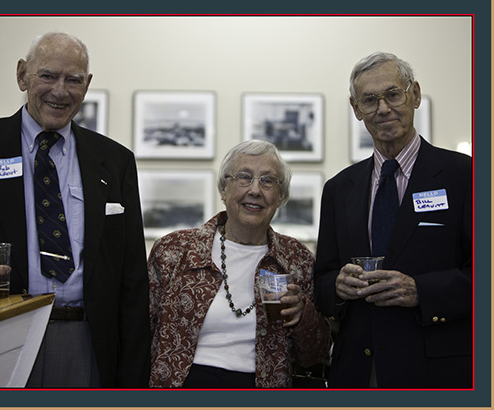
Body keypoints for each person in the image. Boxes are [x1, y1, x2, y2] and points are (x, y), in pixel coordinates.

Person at [0, 32, 150, 388]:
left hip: (88, 344)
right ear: (22, 75)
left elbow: (132, 279)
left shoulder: (114, 161)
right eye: (47, 76)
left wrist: (132, 379)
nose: (60, 90)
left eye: (73, 80)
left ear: (86, 86)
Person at [314, 52, 472, 388]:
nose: (383, 108)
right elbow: (322, 279)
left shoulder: (467, 176)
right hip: (357, 371)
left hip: (436, 371)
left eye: (393, 94)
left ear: (414, 94)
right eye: (369, 100)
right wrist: (337, 288)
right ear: (356, 110)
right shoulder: (339, 189)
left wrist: (421, 291)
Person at [148, 140, 331, 388]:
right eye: (244, 177)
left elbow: (314, 354)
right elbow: (140, 335)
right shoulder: (174, 250)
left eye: (268, 181)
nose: (255, 190)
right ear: (224, 190)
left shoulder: (296, 259)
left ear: (280, 197)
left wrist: (302, 315)